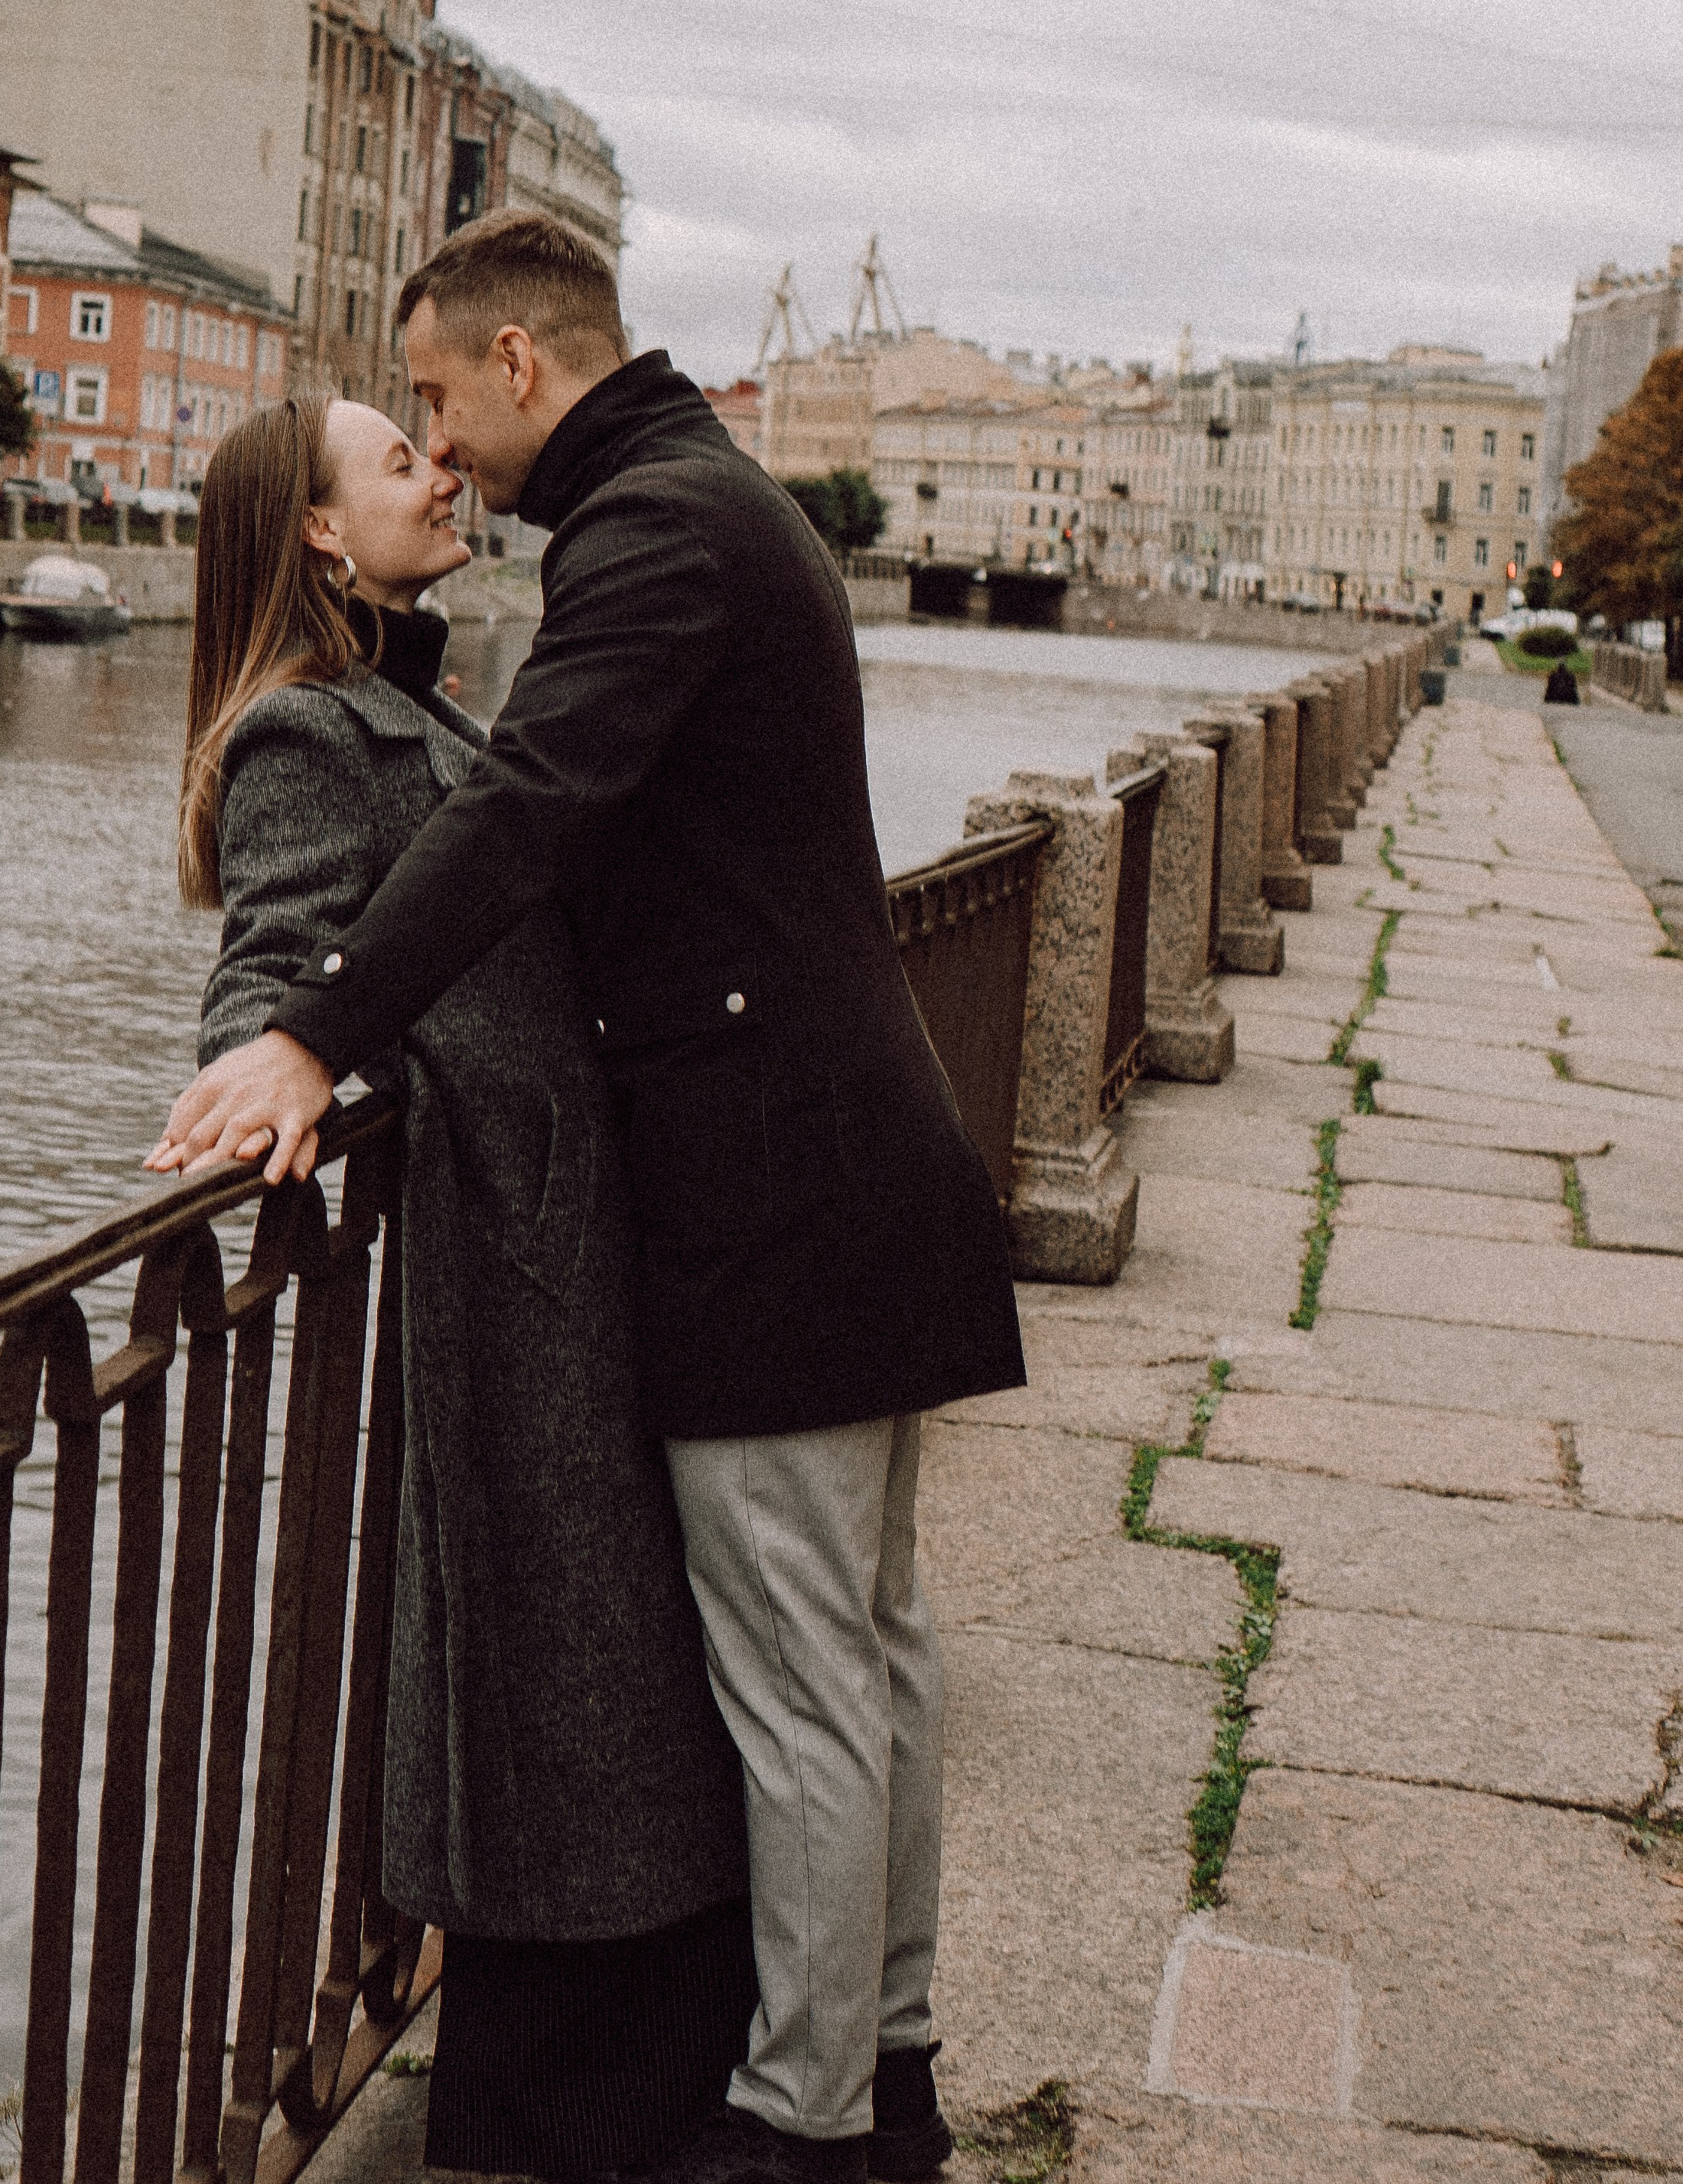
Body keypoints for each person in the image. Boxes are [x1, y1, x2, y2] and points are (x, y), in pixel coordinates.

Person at [153, 213, 1028, 2184]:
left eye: (442, 404)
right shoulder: (707, 508)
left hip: (769, 1198)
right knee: (872, 1656)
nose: (444, 453)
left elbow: (530, 803)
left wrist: (317, 1035)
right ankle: (880, 2068)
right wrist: (289, 1008)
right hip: (839, 1169)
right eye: (409, 440)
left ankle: (805, 2125)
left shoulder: (655, 535)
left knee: (815, 1676)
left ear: (520, 367)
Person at [177, 392, 754, 2177]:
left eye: (436, 442)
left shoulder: (417, 699)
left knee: (605, 1684)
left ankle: (605, 2088)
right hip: (504, 1272)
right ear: (321, 539)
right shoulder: (303, 733)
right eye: (396, 458)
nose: (443, 469)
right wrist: (282, 1069)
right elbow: (272, 972)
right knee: (562, 1691)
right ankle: (562, 2109)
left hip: (563, 1248)